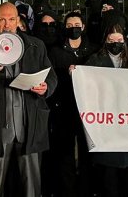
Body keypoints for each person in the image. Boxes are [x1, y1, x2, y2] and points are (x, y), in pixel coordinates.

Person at [0, 2, 58, 197]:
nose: (7, 24)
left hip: (29, 125)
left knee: (31, 185)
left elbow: (51, 77)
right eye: (2, 19)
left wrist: (46, 88)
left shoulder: (36, 46)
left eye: (11, 19)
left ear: (18, 21)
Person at [80, 24, 128, 197]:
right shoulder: (94, 60)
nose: (115, 43)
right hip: (106, 130)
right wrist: (77, 73)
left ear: (125, 41)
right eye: (111, 40)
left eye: (119, 40)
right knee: (109, 183)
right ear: (105, 41)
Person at [45, 11, 99, 197]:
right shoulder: (55, 51)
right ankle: (65, 190)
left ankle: (86, 189)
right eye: (69, 25)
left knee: (87, 151)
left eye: (77, 24)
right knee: (64, 153)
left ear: (83, 27)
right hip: (64, 107)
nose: (73, 28)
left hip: (88, 109)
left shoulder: (93, 50)